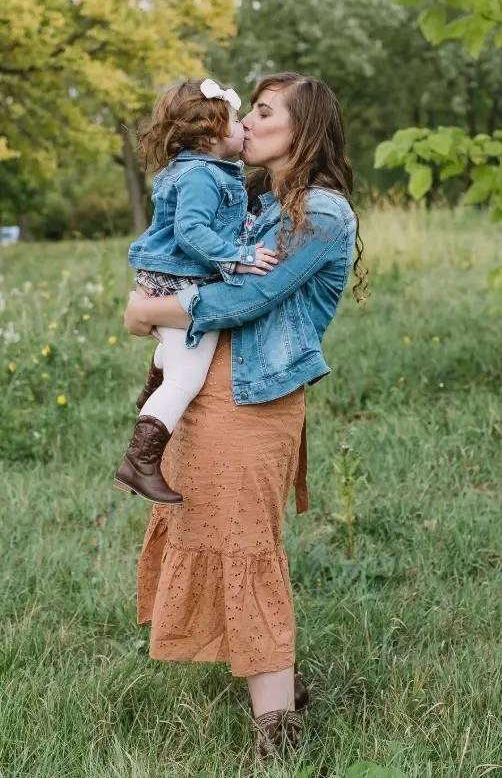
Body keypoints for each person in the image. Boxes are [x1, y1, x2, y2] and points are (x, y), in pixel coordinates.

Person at [123, 72, 366, 760]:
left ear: (303, 130)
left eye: (262, 112)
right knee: (215, 531)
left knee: (247, 547)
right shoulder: (256, 203)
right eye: (249, 112)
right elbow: (187, 257)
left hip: (254, 400)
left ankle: (278, 736)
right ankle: (281, 685)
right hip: (210, 392)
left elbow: (242, 302)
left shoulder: (321, 212)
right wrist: (155, 305)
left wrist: (145, 310)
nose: (247, 123)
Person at [114, 79, 278, 505]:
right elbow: (191, 232)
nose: (244, 127)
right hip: (181, 277)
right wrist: (238, 257)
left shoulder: (198, 170)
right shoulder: (202, 175)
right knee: (187, 376)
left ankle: (154, 385)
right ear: (213, 134)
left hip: (168, 274)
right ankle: (139, 462)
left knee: (179, 355)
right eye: (237, 120)